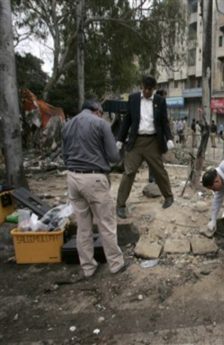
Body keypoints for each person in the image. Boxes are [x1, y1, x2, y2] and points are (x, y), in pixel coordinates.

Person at [62, 100, 126, 278]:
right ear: (97, 111)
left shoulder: (67, 125)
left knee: (83, 227)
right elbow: (114, 157)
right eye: (102, 112)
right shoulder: (100, 124)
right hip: (94, 178)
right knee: (106, 224)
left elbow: (64, 156)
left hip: (72, 178)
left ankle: (88, 268)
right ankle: (115, 264)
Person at [116, 75, 174, 218]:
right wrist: (120, 139)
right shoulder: (133, 98)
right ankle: (120, 205)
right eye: (145, 88)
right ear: (142, 86)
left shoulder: (160, 101)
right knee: (128, 172)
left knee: (159, 170)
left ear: (154, 88)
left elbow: (164, 121)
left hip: (153, 141)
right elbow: (127, 120)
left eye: (150, 89)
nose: (147, 91)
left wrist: (169, 138)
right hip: (136, 141)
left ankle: (168, 197)